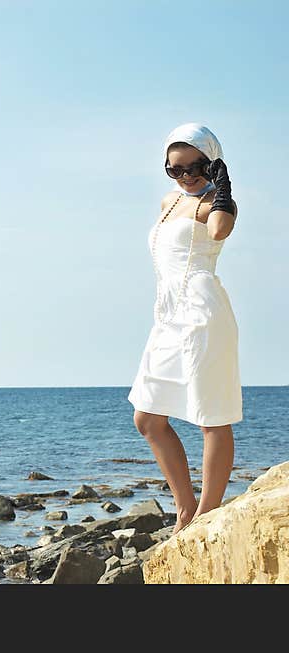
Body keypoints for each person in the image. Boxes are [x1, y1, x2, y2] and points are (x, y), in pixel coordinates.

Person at [127, 122, 242, 535]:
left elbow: (220, 230)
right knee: (147, 418)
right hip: (168, 316)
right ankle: (184, 507)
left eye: (196, 166)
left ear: (212, 164)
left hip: (202, 312)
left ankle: (207, 513)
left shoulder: (213, 202)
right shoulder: (169, 201)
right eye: (175, 169)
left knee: (212, 417)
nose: (186, 175)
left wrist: (222, 185)